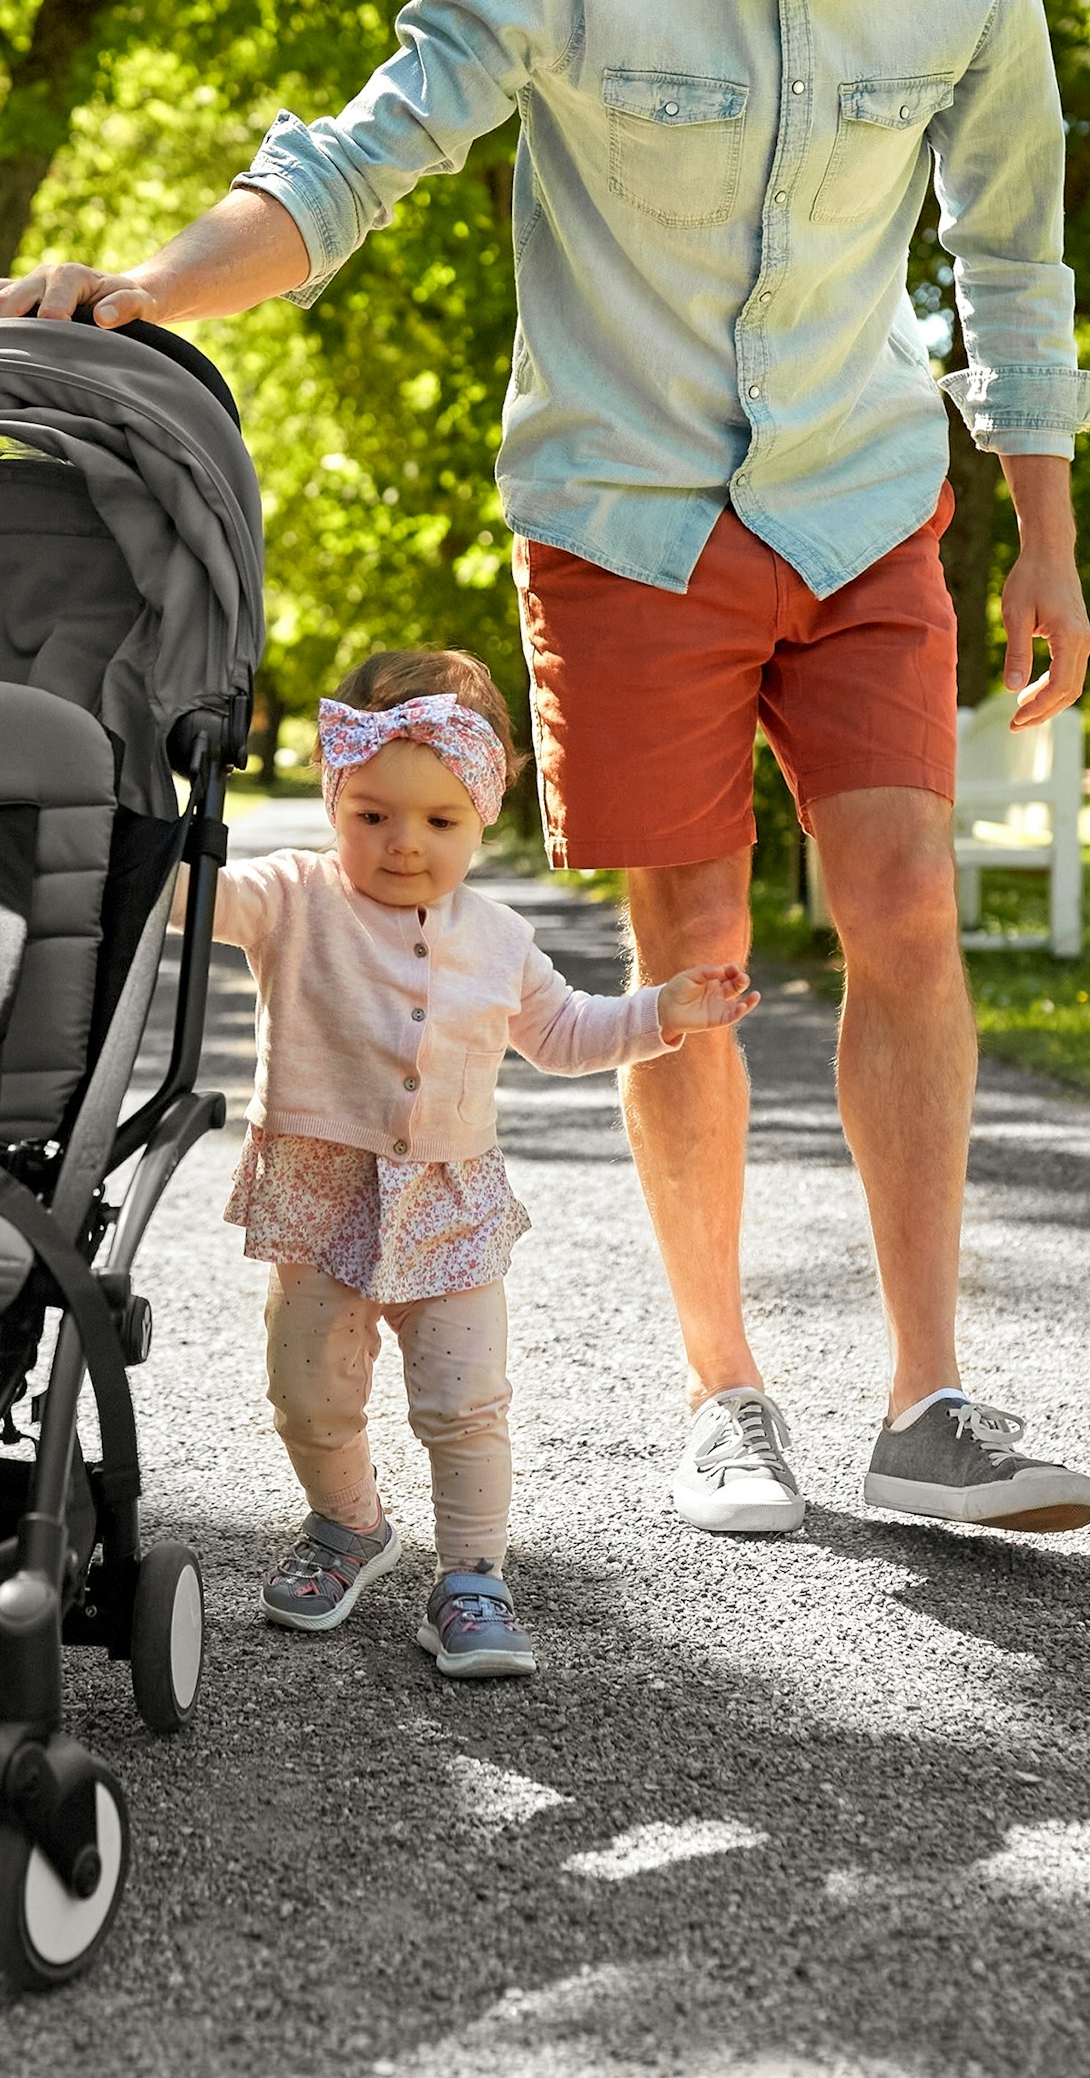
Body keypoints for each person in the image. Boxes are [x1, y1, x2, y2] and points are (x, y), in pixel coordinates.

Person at [0, 0, 1090, 1538]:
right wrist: (149, 291)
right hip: (629, 517)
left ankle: (932, 1399)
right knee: (699, 960)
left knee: (906, 898)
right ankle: (726, 1389)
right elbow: (360, 153)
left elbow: (1015, 258)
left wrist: (1049, 535)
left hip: (855, 495)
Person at [208, 650, 754, 1678]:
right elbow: (193, 902)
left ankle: (472, 1575)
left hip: (449, 1201)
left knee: (465, 1401)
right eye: (372, 816)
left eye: (438, 822)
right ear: (336, 798)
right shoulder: (291, 899)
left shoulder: (498, 937)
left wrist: (661, 1013)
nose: (403, 844)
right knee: (308, 1391)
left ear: (483, 819)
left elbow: (566, 1032)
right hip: (318, 1194)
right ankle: (348, 1524)